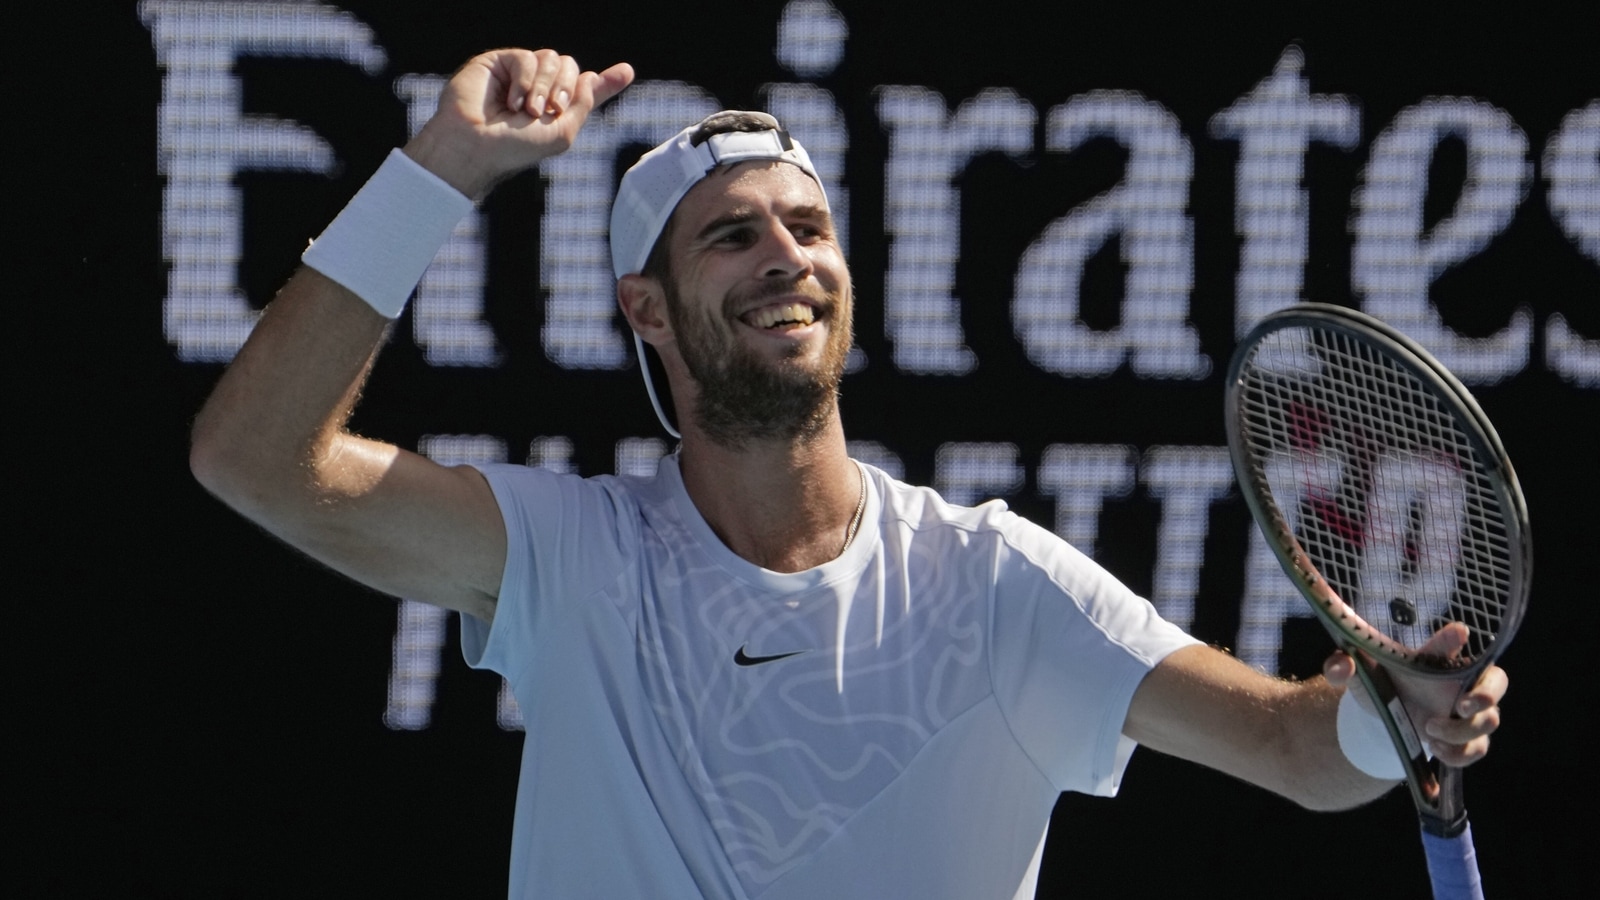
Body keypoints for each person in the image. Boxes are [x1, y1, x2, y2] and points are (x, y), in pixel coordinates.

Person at [189, 48, 1507, 899]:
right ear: (647, 310)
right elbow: (256, 461)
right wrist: (443, 170)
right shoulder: (569, 555)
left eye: (809, 227)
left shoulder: (995, 582)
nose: (785, 256)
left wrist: (1388, 717)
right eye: (732, 237)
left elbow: (1295, 747)